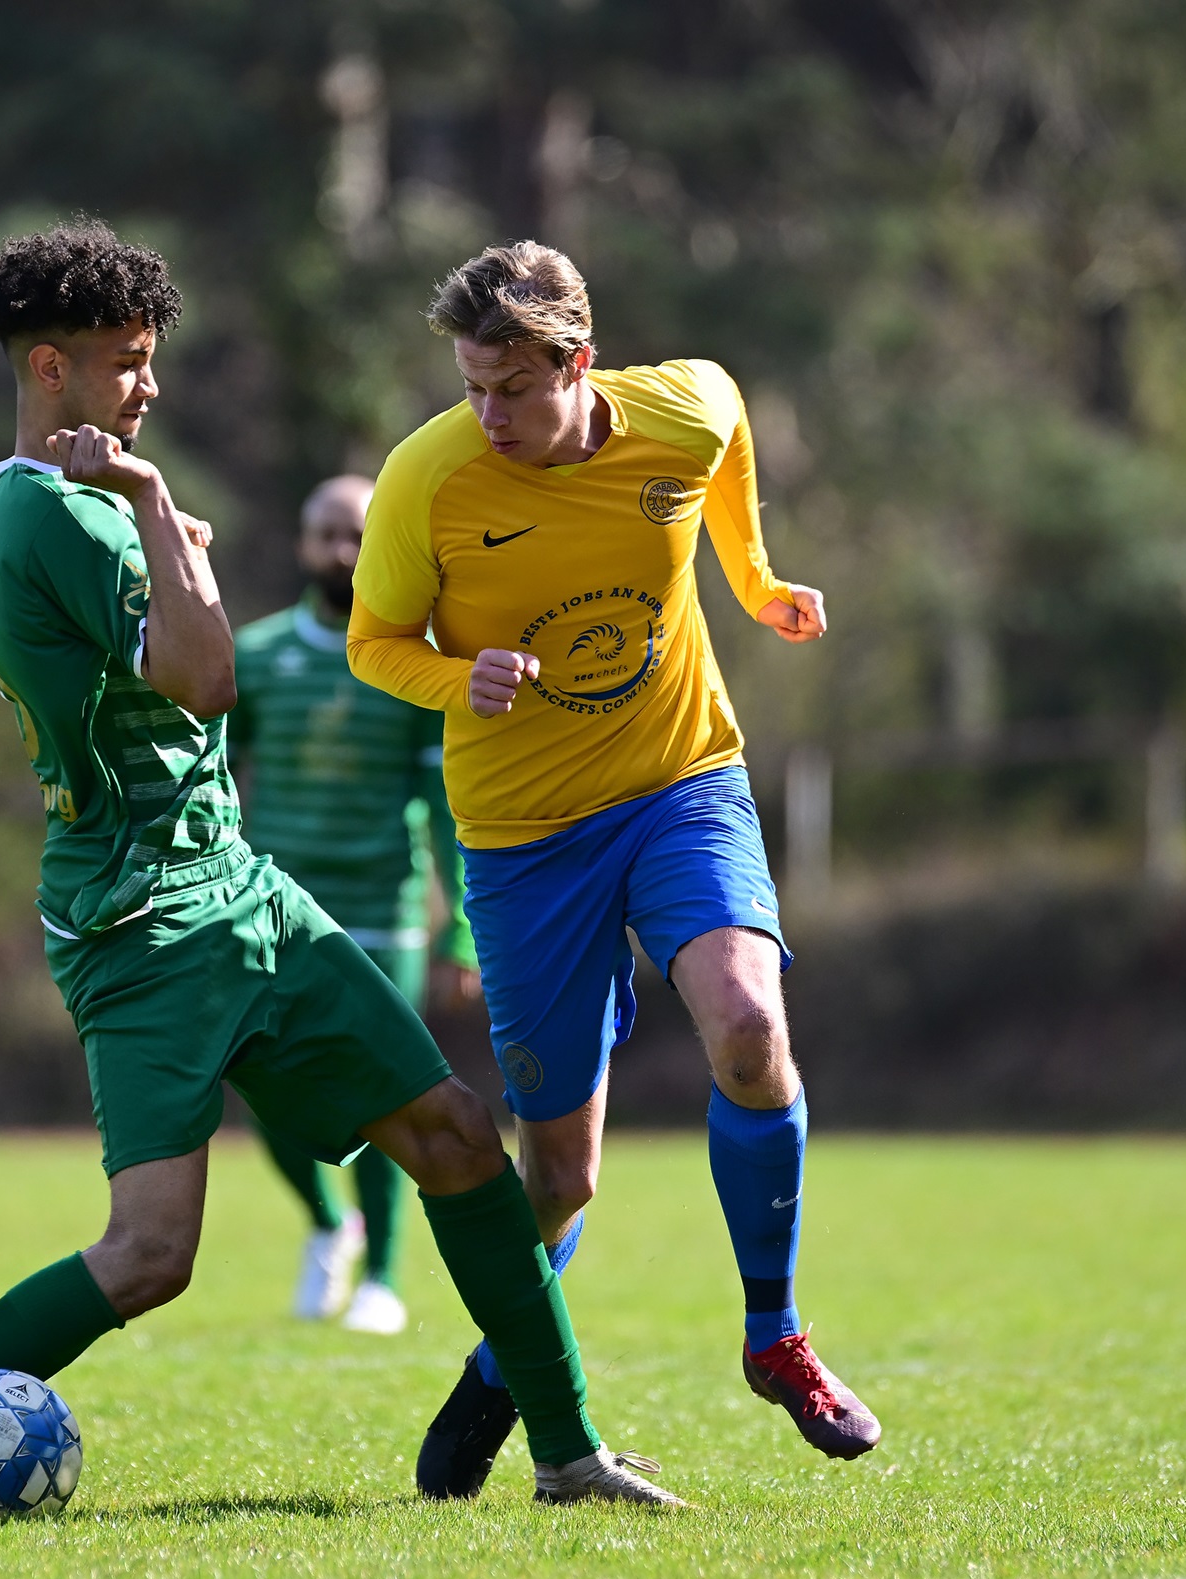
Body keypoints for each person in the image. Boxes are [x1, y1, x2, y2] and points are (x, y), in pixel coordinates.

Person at [0, 220, 681, 1515]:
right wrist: (150, 511)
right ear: (52, 367)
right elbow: (209, 675)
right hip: (139, 922)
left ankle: (569, 1457)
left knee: (460, 1136)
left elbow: (195, 670)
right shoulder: (47, 515)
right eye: (128, 360)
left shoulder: (68, 502)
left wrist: (161, 529)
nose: (150, 385)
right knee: (147, 1254)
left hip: (231, 882)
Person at [347, 242, 882, 1498]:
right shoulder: (428, 479)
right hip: (525, 839)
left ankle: (774, 1335)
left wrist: (747, 580)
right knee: (559, 1175)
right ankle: (503, 1369)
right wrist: (450, 677)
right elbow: (374, 639)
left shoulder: (679, 410)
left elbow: (735, 427)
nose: (488, 415)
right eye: (472, 387)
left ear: (579, 365)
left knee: (751, 1029)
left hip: (681, 782)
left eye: (513, 390)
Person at [226, 474, 479, 1335]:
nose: (341, 551)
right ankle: (332, 1223)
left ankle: (382, 1278)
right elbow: (212, 786)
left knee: (386, 1093)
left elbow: (445, 809)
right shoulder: (256, 657)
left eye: (357, 535)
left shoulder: (417, 665)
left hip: (386, 912)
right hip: (275, 911)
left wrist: (468, 934)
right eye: (325, 533)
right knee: (258, 1083)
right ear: (301, 543)